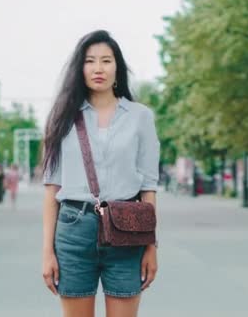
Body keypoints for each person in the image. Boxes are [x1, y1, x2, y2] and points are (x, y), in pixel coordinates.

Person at [41, 30, 160, 317]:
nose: (98, 68)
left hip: (127, 229)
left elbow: (148, 187)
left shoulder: (140, 116)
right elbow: (51, 189)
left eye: (106, 61)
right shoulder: (62, 116)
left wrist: (151, 246)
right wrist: (47, 252)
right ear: (79, 69)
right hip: (74, 229)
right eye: (90, 61)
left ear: (116, 68)